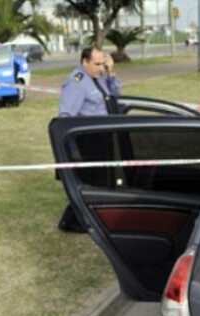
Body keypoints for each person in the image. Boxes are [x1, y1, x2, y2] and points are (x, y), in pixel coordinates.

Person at [57, 46, 122, 232]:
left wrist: (111, 73)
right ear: (84, 62)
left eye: (103, 63)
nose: (100, 68)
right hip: (87, 140)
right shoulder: (76, 82)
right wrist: (73, 150)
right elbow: (66, 117)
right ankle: (73, 222)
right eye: (97, 64)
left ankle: (96, 218)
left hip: (103, 136)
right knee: (89, 184)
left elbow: (116, 96)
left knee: (102, 181)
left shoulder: (100, 76)